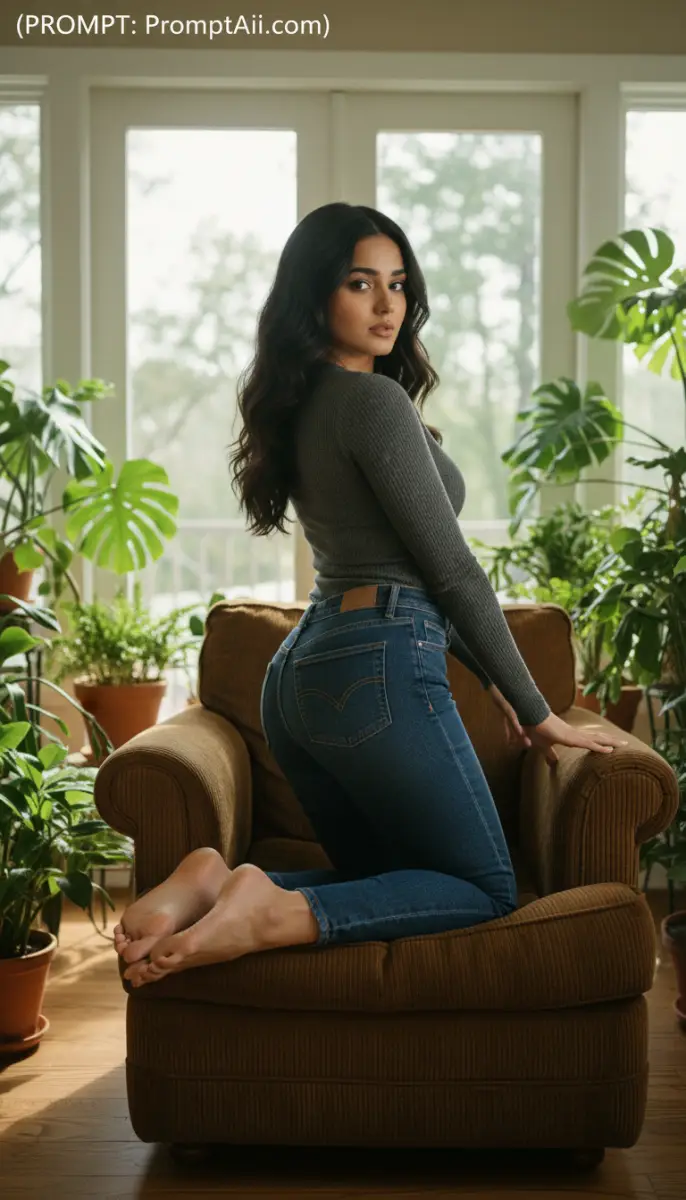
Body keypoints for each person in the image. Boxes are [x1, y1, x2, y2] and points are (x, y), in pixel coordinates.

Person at [116, 202, 627, 988]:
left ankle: (215, 886)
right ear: (315, 294)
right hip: (374, 668)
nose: (388, 304)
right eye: (361, 284)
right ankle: (265, 910)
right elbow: (449, 571)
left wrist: (492, 679)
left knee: (386, 881)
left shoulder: (303, 404)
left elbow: (400, 570)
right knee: (483, 888)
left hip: (302, 677)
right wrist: (536, 710)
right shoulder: (371, 403)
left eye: (398, 283)